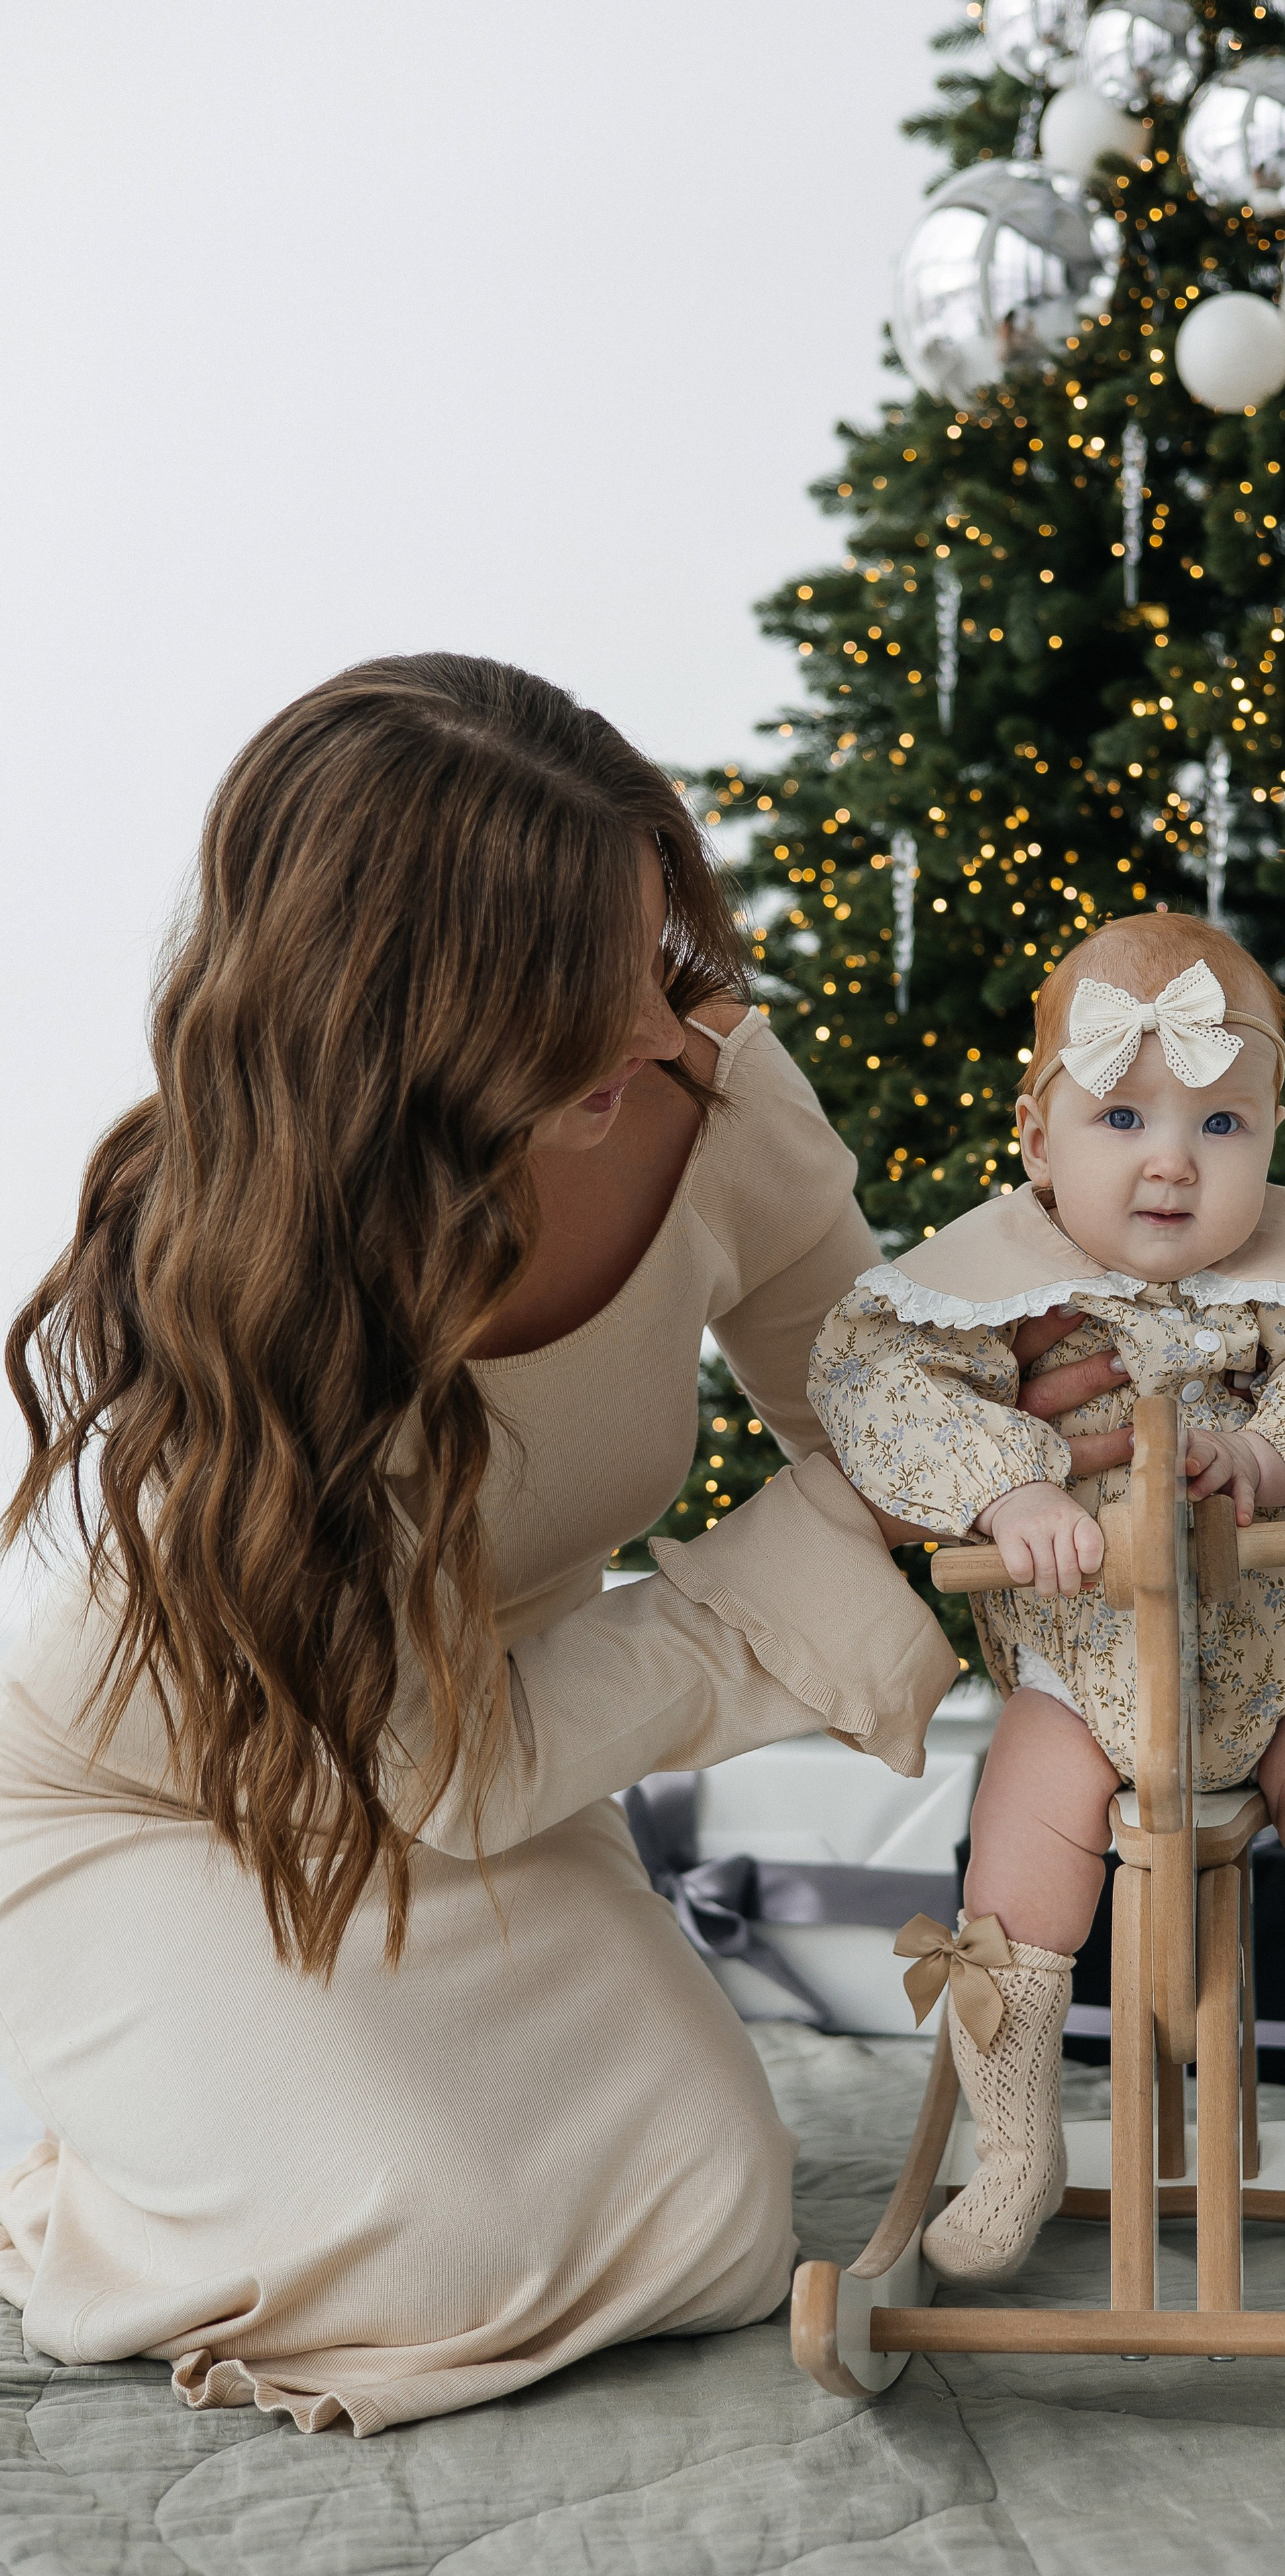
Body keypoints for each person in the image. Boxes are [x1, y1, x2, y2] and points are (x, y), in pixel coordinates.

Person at [0, 653, 1127, 2435]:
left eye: (647, 954)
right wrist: (827, 1539)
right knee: (442, 2248)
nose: (646, 1029)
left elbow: (864, 1405)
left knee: (712, 2215)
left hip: (483, 1734)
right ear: (406, 1027)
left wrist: (1023, 1420)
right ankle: (84, 2177)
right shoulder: (284, 1284)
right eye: (571, 998)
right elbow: (452, 1762)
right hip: (159, 1780)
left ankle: (254, 2113)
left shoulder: (706, 1091)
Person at [811, 913, 1285, 2282]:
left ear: (1271, 1138)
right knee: (1017, 1875)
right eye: (1121, 1116)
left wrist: (1277, 1452)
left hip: (1273, 1654)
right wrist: (1009, 1486)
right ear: (1038, 1143)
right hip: (1078, 1670)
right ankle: (1018, 2149)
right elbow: (873, 1382)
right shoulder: (997, 1290)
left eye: (1220, 1125)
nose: (1171, 1160)